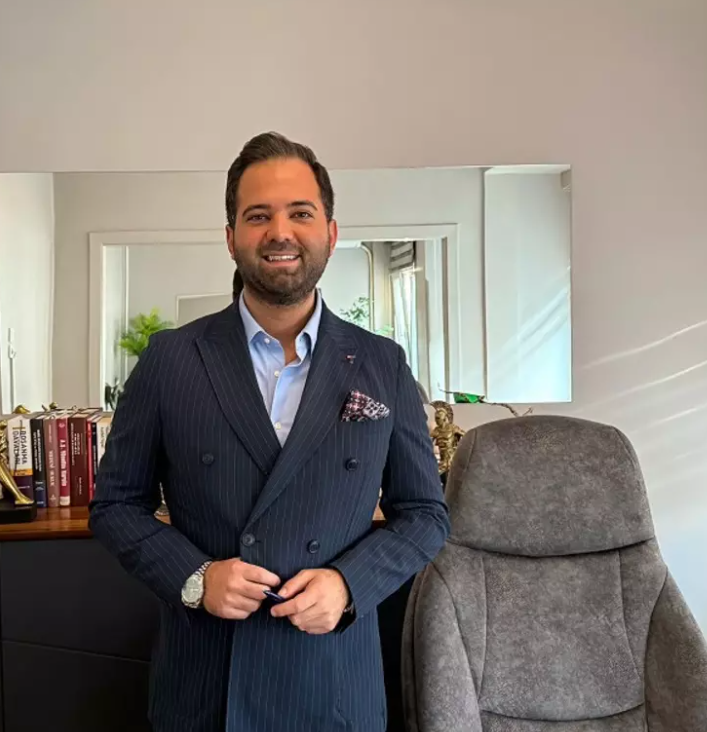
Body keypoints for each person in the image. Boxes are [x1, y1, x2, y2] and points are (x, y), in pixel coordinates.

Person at [89, 131, 450, 732]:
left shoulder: (382, 363)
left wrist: (349, 585)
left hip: (335, 683)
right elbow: (115, 506)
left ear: (330, 232)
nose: (280, 232)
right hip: (207, 683)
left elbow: (425, 514)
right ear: (231, 237)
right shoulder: (170, 359)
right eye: (258, 216)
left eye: (300, 213)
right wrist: (195, 579)